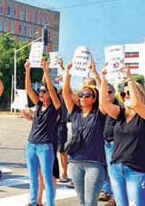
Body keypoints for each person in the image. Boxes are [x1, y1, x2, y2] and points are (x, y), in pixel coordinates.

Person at [100, 67, 145, 206]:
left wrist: (129, 78)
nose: (126, 97)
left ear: (140, 94)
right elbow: (104, 104)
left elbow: (136, 104)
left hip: (138, 170)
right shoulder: (120, 113)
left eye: (129, 93)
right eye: (124, 94)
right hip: (117, 167)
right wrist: (103, 80)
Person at [62, 62, 106, 206]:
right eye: (81, 94)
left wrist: (96, 75)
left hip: (95, 163)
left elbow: (104, 97)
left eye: (87, 95)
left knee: (90, 202)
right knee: (81, 202)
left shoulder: (99, 113)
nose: (82, 97)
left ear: (94, 98)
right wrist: (67, 73)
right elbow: (66, 94)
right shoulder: (74, 113)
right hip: (75, 162)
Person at [22, 59, 61, 206]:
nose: (41, 93)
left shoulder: (55, 107)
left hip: (45, 146)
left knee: (46, 178)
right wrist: (27, 70)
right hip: (31, 145)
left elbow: (51, 90)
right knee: (33, 177)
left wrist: (46, 71)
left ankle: (50, 203)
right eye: (40, 91)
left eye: (43, 91)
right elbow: (28, 89)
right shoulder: (38, 105)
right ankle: (33, 202)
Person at [99, 83, 119, 205]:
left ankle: (116, 196)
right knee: (104, 168)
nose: (107, 94)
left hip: (114, 142)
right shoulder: (102, 106)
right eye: (105, 92)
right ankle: (107, 191)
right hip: (104, 141)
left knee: (114, 171)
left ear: (114, 92)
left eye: (110, 92)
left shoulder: (118, 106)